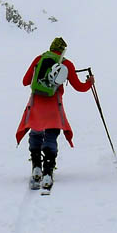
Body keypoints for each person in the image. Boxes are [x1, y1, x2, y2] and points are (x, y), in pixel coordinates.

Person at [15, 37, 94, 189]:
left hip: (36, 104)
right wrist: (90, 82)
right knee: (51, 135)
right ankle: (48, 172)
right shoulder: (66, 64)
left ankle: (36, 166)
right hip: (53, 106)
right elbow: (79, 87)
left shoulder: (39, 59)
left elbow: (25, 81)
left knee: (36, 133)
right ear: (63, 50)